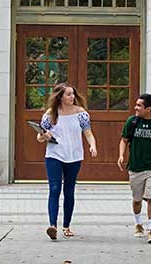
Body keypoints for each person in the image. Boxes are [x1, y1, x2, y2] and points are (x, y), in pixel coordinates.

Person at [37, 82, 97, 240]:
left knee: (69, 191)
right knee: (55, 188)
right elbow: (39, 136)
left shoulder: (81, 113)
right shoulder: (50, 114)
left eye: (73, 94)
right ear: (60, 97)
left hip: (74, 156)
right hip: (54, 155)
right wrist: (44, 136)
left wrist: (93, 146)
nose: (72, 97)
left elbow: (88, 133)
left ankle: (66, 226)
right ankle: (52, 226)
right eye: (68, 94)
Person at [117, 93, 151, 244]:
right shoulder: (132, 121)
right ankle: (138, 224)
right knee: (137, 200)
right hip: (136, 167)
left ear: (148, 108)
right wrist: (121, 155)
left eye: (139, 105)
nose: (135, 108)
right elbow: (124, 140)